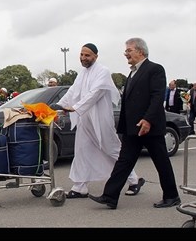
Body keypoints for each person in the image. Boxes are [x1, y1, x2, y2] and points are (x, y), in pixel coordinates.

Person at [88, 38, 180, 209]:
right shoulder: (132, 73)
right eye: (126, 51)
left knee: (161, 163)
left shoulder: (155, 69)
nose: (126, 54)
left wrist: (148, 120)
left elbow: (157, 97)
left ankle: (172, 196)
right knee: (124, 162)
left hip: (149, 127)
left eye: (129, 50)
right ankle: (110, 196)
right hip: (133, 129)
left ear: (141, 51)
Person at [55, 43, 143, 199]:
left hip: (100, 120)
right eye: (82, 55)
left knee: (113, 150)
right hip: (84, 120)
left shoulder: (103, 71)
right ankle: (80, 186)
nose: (83, 58)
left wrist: (75, 107)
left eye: (87, 55)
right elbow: (72, 91)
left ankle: (134, 180)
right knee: (82, 151)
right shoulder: (82, 73)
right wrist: (60, 105)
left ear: (96, 56)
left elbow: (95, 93)